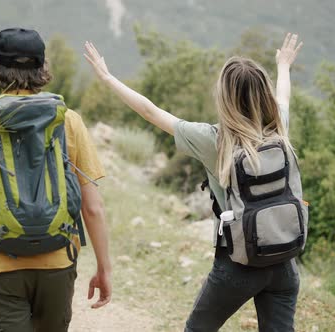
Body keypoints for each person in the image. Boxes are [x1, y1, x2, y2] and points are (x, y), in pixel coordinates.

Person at [84, 33, 303, 331]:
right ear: (264, 95)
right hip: (284, 262)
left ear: (224, 98)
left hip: (238, 265)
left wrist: (108, 78)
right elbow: (284, 96)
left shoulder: (214, 140)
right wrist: (284, 66)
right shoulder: (279, 129)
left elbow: (150, 111)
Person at [0, 28, 112, 332]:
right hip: (57, 261)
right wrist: (104, 267)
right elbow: (93, 208)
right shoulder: (68, 120)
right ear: (43, 68)